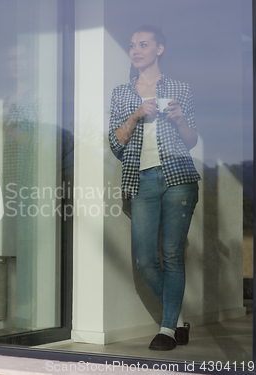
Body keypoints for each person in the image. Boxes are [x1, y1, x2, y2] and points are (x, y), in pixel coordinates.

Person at [108, 23, 201, 351]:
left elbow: (191, 141)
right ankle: (177, 320)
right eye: (132, 45)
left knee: (172, 254)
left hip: (178, 177)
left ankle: (166, 329)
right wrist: (135, 116)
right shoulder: (122, 92)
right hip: (141, 180)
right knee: (146, 259)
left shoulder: (180, 89)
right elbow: (114, 144)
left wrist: (179, 121)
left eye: (143, 44)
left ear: (159, 49)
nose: (135, 50)